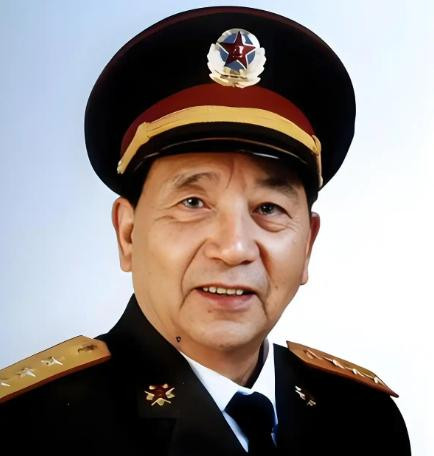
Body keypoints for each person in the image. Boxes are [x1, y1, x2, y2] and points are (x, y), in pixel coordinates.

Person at [0, 6, 410, 455]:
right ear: (128, 234)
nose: (234, 248)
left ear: (308, 244)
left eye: (268, 208)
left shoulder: (363, 420)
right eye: (193, 203)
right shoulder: (31, 429)